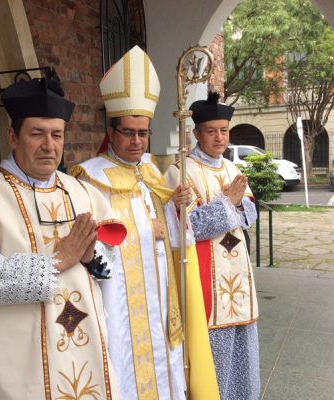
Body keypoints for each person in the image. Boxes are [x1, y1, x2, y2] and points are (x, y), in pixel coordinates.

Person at [0, 77, 127, 399]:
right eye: (37, 134)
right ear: (13, 136)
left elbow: (109, 273)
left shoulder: (83, 193)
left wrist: (91, 259)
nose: (49, 145)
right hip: (16, 359)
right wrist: (56, 261)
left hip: (84, 348)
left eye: (57, 135)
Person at [71, 46, 219, 400]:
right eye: (129, 132)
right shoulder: (88, 179)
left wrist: (178, 209)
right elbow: (90, 245)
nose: (137, 142)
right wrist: (144, 230)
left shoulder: (153, 171)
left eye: (143, 133)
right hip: (119, 297)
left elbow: (173, 236)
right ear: (111, 131)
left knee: (165, 364)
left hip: (160, 292)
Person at [165, 91, 260, 400]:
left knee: (242, 348)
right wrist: (228, 203)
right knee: (213, 356)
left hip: (238, 277)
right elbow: (186, 229)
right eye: (211, 131)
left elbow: (251, 215)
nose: (219, 137)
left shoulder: (232, 169)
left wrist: (238, 206)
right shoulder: (180, 171)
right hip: (205, 279)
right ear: (196, 133)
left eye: (224, 130)